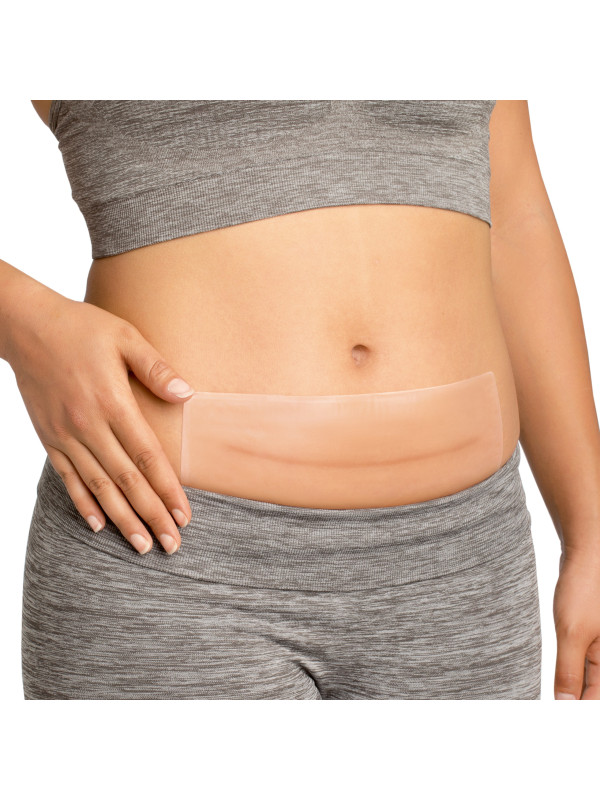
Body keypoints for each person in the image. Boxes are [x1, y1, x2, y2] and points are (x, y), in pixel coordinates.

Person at [3, 99, 598, 699]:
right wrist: (26, 323)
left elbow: (512, 212)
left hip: (466, 563)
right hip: (169, 555)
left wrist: (590, 530)